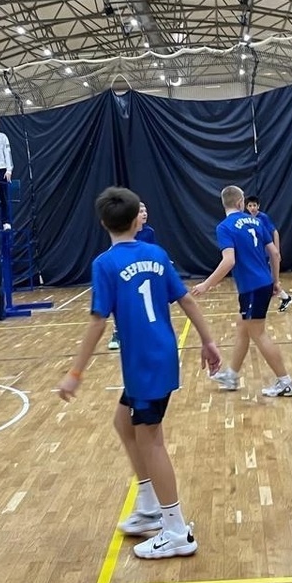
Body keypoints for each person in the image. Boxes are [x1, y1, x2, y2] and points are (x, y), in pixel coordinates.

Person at [57, 187, 221, 559]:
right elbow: (186, 298)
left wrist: (75, 373)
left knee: (151, 441)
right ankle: (148, 508)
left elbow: (98, 322)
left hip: (146, 365)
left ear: (103, 223)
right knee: (123, 422)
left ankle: (175, 530)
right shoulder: (156, 254)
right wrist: (208, 341)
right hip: (154, 359)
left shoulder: (105, 264)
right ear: (137, 221)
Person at [194, 185, 292, 397]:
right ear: (240, 202)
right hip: (262, 283)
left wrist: (206, 284)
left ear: (224, 203)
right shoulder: (256, 221)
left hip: (252, 287)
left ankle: (285, 381)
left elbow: (229, 261)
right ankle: (231, 376)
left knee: (258, 333)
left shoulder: (224, 227)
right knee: (243, 327)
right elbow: (274, 253)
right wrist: (276, 281)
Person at [109, 201, 154, 351]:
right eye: (140, 211)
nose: (144, 213)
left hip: (143, 273)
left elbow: (150, 251)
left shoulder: (149, 232)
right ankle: (117, 333)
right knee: (123, 303)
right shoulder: (124, 234)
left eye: (145, 210)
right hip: (127, 273)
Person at [244, 195, 292, 312]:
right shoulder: (246, 219)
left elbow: (274, 232)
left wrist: (277, 250)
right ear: (246, 207)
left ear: (258, 206)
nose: (252, 208)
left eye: (254, 205)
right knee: (263, 280)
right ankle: (285, 297)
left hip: (267, 253)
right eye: (250, 205)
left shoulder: (263, 218)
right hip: (257, 253)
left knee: (267, 280)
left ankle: (280, 298)